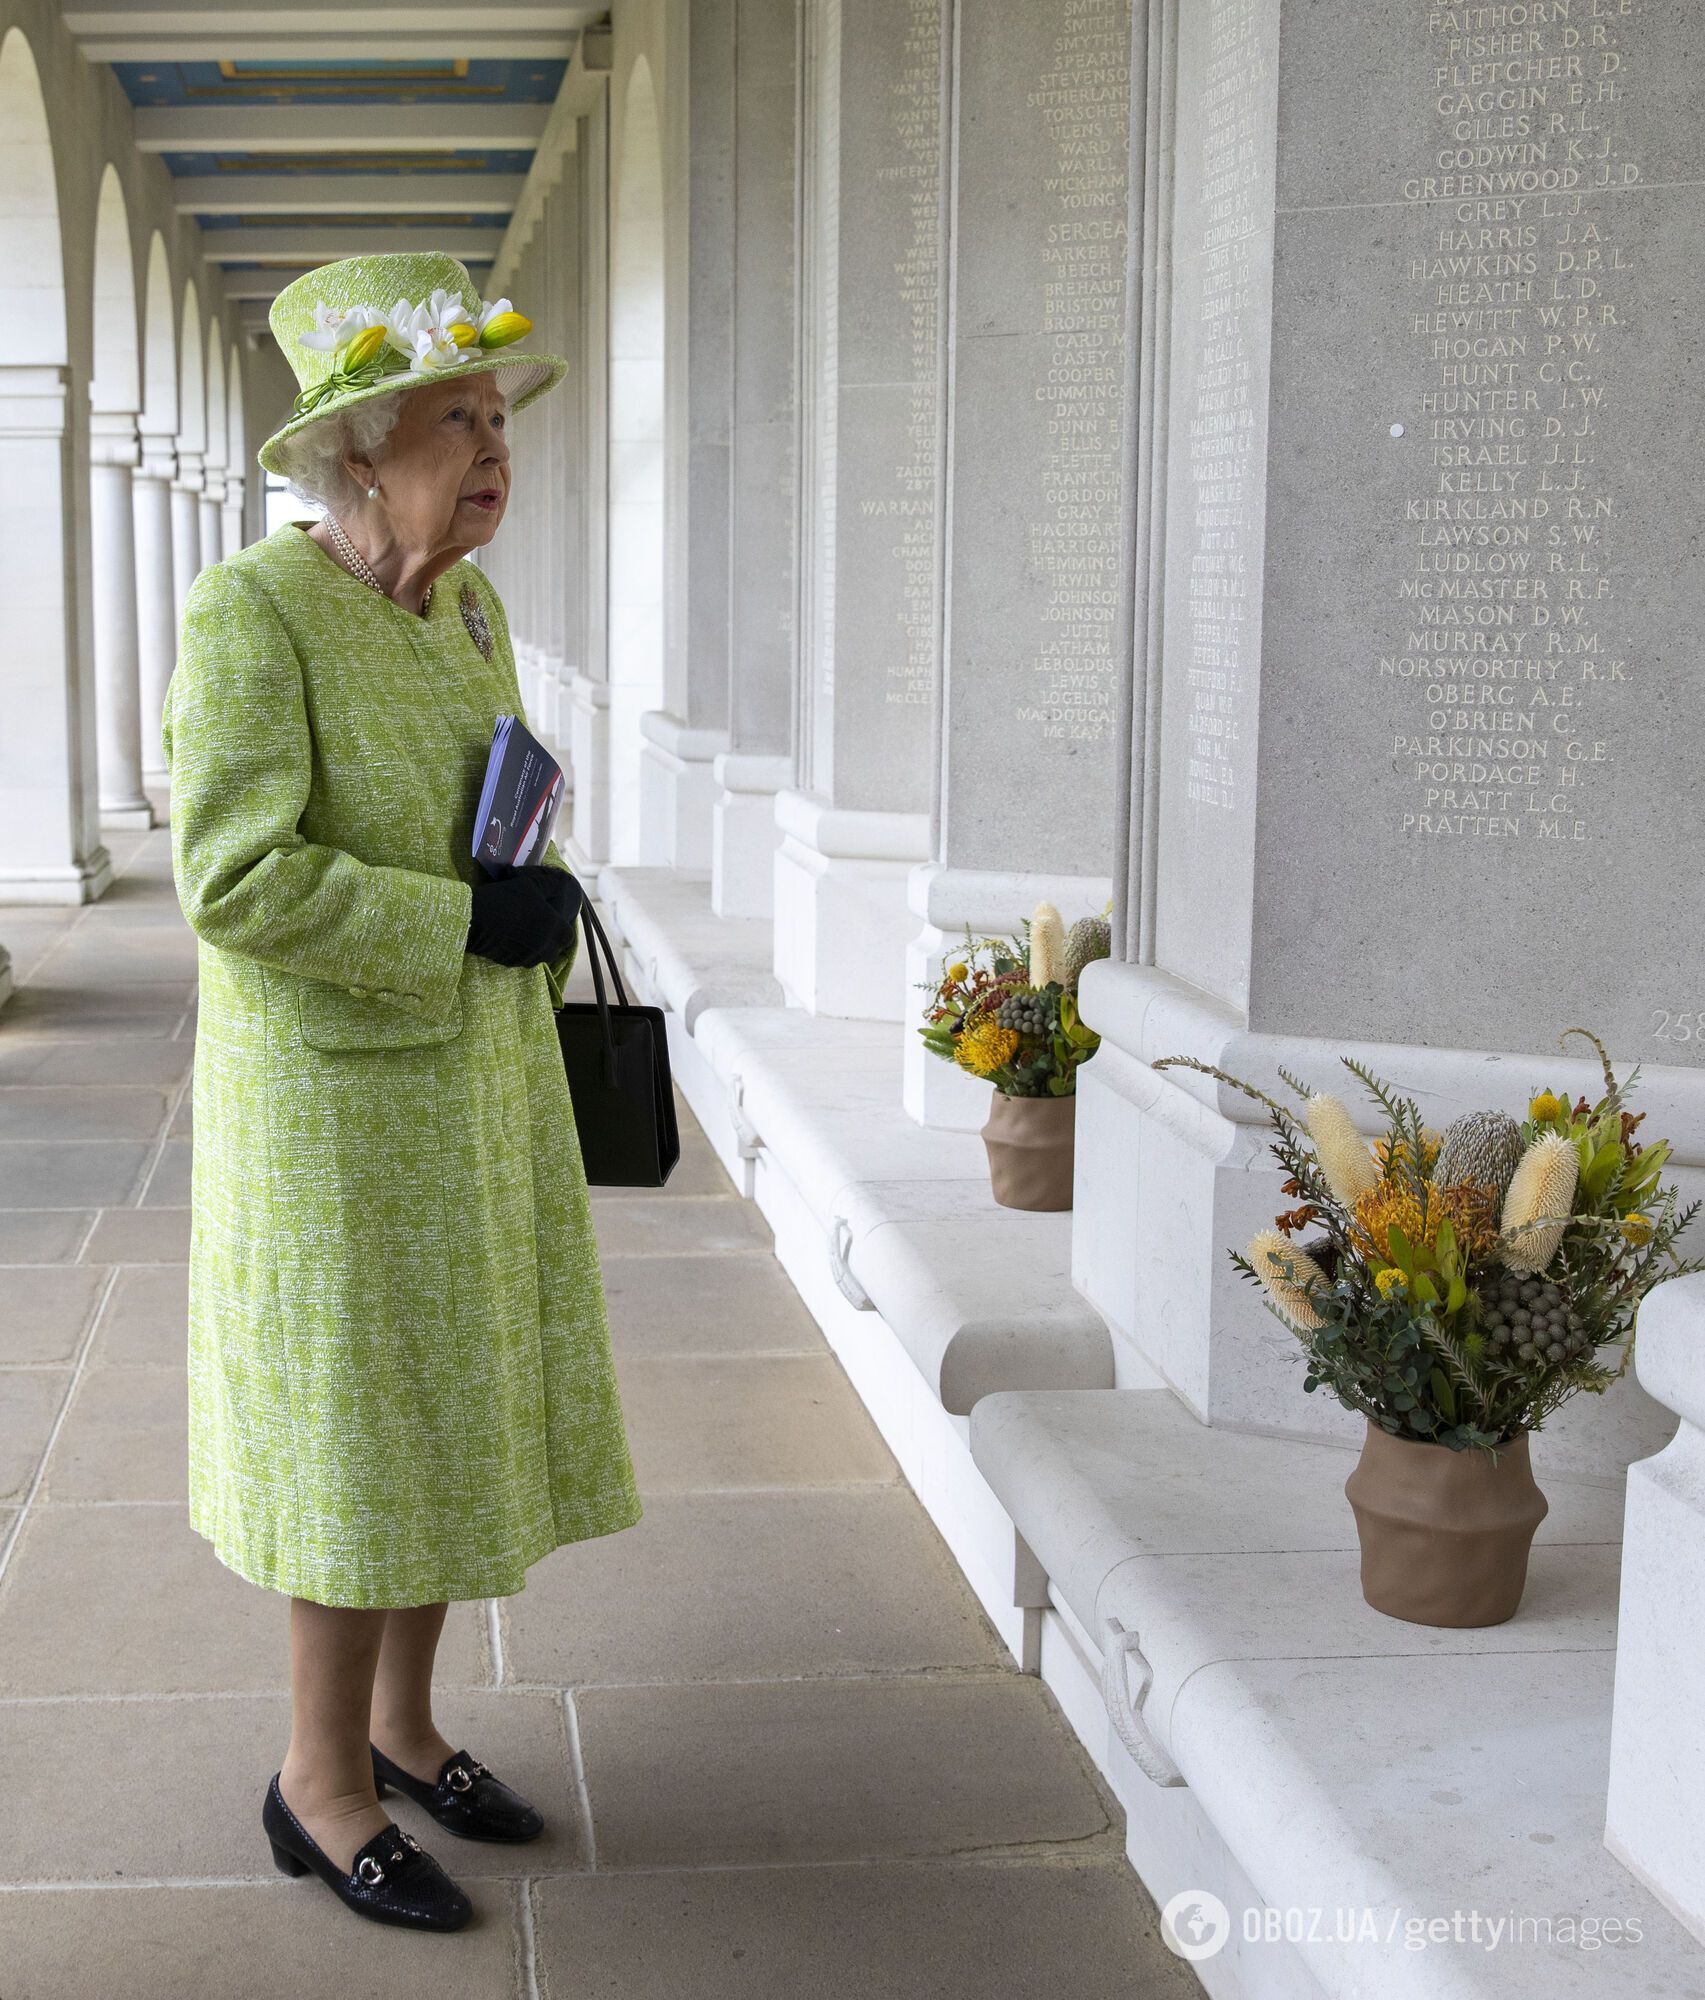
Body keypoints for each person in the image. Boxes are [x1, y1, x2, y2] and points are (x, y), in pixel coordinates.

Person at [160, 252, 642, 1934]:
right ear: (359, 451)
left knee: (450, 1407)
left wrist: (533, 883)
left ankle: (407, 1729)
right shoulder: (252, 613)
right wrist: (460, 920)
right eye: (460, 419)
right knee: (354, 1442)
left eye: (501, 418)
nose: (497, 449)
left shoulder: (469, 605)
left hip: (478, 1084)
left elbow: (488, 802)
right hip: (341, 1116)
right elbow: (229, 880)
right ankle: (318, 1782)